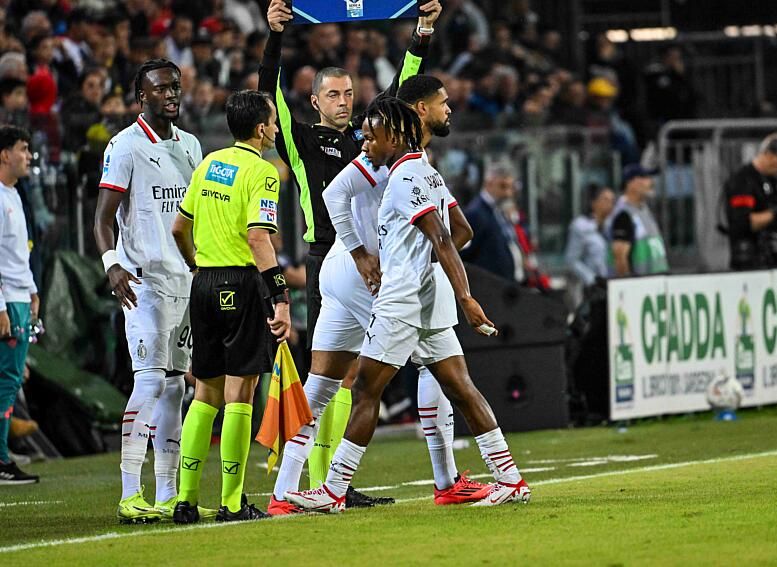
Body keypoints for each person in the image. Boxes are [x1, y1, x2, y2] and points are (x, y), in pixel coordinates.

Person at [283, 97, 530, 513]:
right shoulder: (427, 171)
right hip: (429, 297)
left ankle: (333, 491)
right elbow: (461, 228)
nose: (364, 145)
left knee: (365, 389)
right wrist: (428, 270)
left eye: (371, 137)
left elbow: (443, 238)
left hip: (400, 302)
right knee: (461, 387)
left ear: (394, 136)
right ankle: (510, 479)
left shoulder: (402, 180)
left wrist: (466, 296)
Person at [260, 0, 442, 508]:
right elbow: (268, 92)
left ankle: (308, 487)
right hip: (332, 258)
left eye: (347, 93)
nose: (343, 101)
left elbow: (404, 91)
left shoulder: (373, 137)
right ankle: (330, 482)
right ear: (315, 102)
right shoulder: (301, 142)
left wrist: (421, 34)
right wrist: (274, 36)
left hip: (372, 259)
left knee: (332, 378)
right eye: (333, 95)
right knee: (369, 370)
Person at [170, 89, 291, 523]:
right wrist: (280, 296)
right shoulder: (263, 172)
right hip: (241, 283)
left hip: (202, 282)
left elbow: (179, 227)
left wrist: (196, 265)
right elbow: (259, 237)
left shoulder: (207, 164)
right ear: (261, 129)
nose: (276, 129)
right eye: (274, 122)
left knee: (205, 392)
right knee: (241, 392)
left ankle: (185, 501)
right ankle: (233, 502)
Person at [92, 59, 205, 523]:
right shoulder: (125, 146)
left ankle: (166, 492)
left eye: (175, 86)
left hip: (186, 280)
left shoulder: (192, 145)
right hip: (144, 282)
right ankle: (127, 492)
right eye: (161, 89)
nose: (171, 94)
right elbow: (101, 219)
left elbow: (196, 213)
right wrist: (112, 263)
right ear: (142, 97)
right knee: (150, 380)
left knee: (176, 386)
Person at [0, 125, 39, 485]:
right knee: (6, 381)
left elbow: (16, 255)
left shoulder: (14, 194)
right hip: (5, 302)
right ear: (5, 154)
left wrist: (33, 291)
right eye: (23, 149)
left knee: (9, 381)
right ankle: (1, 460)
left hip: (19, 297)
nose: (28, 156)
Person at [723, 132, 777, 270]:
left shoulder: (774, 181)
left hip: (771, 260)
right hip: (748, 263)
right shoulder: (743, 180)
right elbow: (742, 223)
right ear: (770, 155)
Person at [460, 162, 525, 283]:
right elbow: (465, 255)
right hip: (488, 288)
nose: (508, 193)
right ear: (489, 183)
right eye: (503, 186)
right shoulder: (476, 213)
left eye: (510, 188)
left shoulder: (496, 211)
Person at [605, 164, 669, 277]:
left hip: (656, 285)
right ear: (631, 183)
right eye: (645, 178)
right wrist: (631, 288)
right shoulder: (623, 214)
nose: (651, 182)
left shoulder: (643, 209)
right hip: (640, 288)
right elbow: (620, 258)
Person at [565, 183, 615, 287]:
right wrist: (592, 279)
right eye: (605, 200)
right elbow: (571, 260)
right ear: (594, 203)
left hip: (612, 284)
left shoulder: (613, 226)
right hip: (590, 287)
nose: (610, 204)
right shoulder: (581, 226)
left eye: (612, 201)